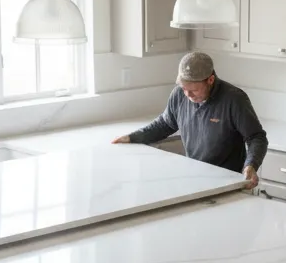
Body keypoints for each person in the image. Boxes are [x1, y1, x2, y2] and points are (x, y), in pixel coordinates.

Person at [113, 51, 267, 187]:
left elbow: (256, 137)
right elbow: (164, 124)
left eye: (193, 90)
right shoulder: (178, 95)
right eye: (183, 88)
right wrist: (132, 137)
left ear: (210, 80)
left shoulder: (234, 99)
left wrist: (251, 166)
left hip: (227, 181)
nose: (187, 94)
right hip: (195, 177)